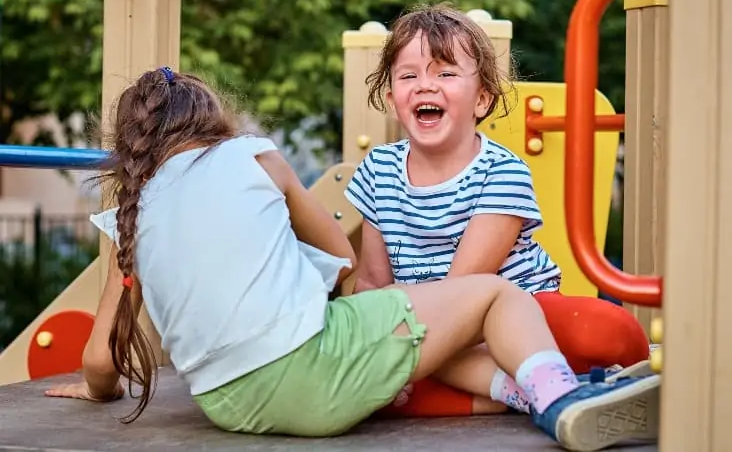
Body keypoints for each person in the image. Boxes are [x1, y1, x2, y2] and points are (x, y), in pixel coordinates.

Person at [44, 68, 658, 452]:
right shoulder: (254, 157)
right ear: (215, 119)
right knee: (499, 297)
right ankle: (562, 402)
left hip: (228, 407)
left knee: (425, 341)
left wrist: (97, 392)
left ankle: (532, 392)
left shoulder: (134, 212)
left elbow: (100, 361)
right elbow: (341, 257)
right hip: (312, 373)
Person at [344, 3, 652, 419]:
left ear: (482, 99)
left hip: (518, 316)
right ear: (390, 97)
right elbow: (372, 283)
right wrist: (379, 338)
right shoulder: (379, 170)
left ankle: (531, 378)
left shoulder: (502, 171)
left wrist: (408, 354)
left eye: (445, 73)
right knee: (360, 376)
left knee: (606, 330)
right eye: (408, 75)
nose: (424, 85)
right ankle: (526, 392)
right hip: (430, 330)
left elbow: (466, 288)